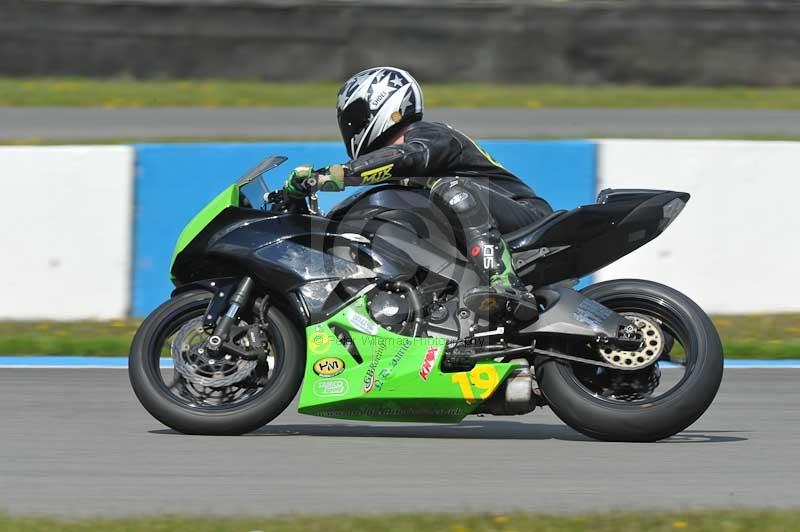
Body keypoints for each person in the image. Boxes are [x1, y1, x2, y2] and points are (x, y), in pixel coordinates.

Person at [284, 67, 552, 317]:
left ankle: (504, 280)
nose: (352, 129)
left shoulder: (429, 135)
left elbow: (409, 155)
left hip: (528, 217)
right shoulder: (401, 178)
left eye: (355, 118)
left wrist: (337, 174)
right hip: (482, 229)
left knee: (450, 189)